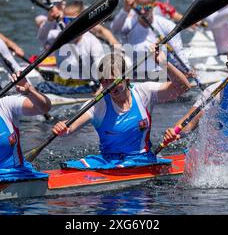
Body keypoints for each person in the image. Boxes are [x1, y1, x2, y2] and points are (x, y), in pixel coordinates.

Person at [52, 48, 192, 169]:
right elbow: (71, 126)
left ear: (127, 79)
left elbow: (182, 87)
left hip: (141, 160)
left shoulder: (144, 93)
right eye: (105, 81)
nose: (110, 87)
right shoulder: (98, 105)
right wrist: (64, 128)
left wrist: (163, 63)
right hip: (108, 161)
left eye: (114, 80)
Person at [111, 0, 191, 76]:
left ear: (154, 5)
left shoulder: (167, 25)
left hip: (161, 77)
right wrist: (125, 10)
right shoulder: (129, 25)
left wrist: (187, 70)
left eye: (147, 8)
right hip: (135, 77)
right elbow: (114, 29)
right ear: (135, 5)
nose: (143, 12)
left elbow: (178, 51)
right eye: (140, 8)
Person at [35, 0, 120, 47]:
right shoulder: (43, 17)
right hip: (54, 55)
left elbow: (100, 30)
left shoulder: (71, 12)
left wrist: (114, 43)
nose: (52, 6)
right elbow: (42, 34)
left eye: (55, 2)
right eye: (48, 3)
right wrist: (50, 19)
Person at [46, 0, 106, 82]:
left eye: (74, 21)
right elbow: (42, 36)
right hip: (60, 85)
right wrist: (49, 20)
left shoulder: (92, 41)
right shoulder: (57, 36)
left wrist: (102, 83)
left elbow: (100, 66)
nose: (71, 25)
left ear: (83, 22)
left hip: (84, 86)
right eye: (67, 20)